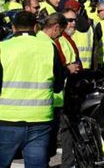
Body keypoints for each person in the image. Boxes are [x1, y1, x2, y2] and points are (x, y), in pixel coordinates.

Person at [0, 11, 65, 167]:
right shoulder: (49, 47)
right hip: (40, 118)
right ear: (36, 27)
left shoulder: (3, 47)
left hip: (7, 118)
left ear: (13, 28)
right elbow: (58, 85)